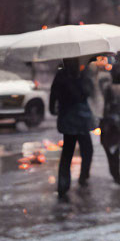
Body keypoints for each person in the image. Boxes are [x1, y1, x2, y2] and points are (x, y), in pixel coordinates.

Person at [49, 58, 95, 198]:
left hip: (70, 119)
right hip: (77, 120)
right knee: (85, 150)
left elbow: (53, 95)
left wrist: (52, 108)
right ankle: (80, 178)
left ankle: (65, 185)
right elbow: (86, 92)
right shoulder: (76, 76)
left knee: (69, 153)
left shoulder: (63, 76)